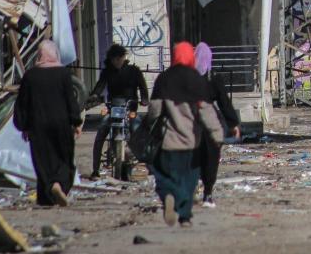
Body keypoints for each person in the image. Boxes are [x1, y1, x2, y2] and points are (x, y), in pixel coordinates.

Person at [146, 42, 224, 227]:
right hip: (191, 141)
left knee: (166, 176)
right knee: (188, 180)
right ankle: (185, 217)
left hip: (168, 140)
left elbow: (155, 109)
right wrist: (217, 134)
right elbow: (206, 111)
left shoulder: (164, 78)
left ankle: (168, 197)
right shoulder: (197, 80)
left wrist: (148, 125)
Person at [13, 40, 82, 207]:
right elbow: (70, 100)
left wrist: (24, 126)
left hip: (38, 126)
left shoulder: (30, 76)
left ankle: (47, 194)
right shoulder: (64, 74)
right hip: (62, 125)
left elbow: (22, 103)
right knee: (64, 158)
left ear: (39, 55)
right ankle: (59, 185)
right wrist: (76, 121)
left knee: (43, 161)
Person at [87, 44, 150, 179]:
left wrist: (144, 99)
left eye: (119, 58)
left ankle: (149, 165)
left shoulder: (134, 71)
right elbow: (100, 86)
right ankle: (95, 169)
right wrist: (94, 95)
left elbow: (143, 88)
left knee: (138, 130)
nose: (117, 61)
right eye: (114, 59)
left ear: (123, 57)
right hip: (113, 109)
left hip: (129, 109)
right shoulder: (107, 72)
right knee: (101, 132)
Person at [193, 42, 240, 208]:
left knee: (193, 157)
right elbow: (224, 102)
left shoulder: (187, 77)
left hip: (190, 121)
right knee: (211, 158)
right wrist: (233, 123)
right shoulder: (214, 78)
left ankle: (191, 188)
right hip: (211, 122)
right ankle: (208, 193)